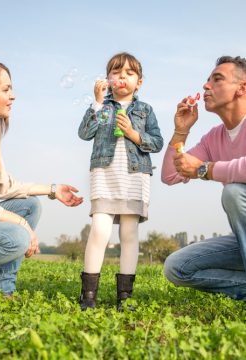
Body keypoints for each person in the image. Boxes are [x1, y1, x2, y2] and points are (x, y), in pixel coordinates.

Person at [0, 58, 83, 300]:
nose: (13, 96)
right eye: (6, 89)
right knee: (16, 237)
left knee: (29, 205)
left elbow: (6, 187)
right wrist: (21, 225)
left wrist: (53, 189)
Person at [78, 52, 163, 310]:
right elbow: (84, 133)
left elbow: (157, 142)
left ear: (139, 82)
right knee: (99, 232)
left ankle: (124, 297)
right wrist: (97, 102)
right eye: (115, 72)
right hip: (105, 174)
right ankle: (88, 297)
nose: (122, 77)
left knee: (128, 233)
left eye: (129, 73)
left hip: (134, 176)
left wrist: (133, 134)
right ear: (107, 80)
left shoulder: (145, 110)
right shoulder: (103, 107)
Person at [161, 56, 246, 301]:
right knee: (177, 266)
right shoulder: (213, 137)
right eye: (207, 80)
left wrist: (205, 170)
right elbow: (170, 175)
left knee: (234, 192)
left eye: (217, 79)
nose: (206, 86)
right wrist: (181, 130)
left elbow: (203, 168)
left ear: (242, 88)